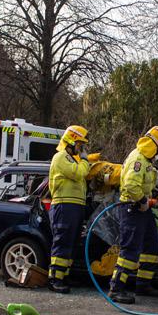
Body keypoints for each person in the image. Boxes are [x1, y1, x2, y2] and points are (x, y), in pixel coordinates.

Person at [107, 126, 158, 304]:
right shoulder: (139, 159)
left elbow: (144, 185)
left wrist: (154, 197)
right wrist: (143, 201)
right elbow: (131, 185)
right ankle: (116, 289)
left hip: (142, 210)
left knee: (151, 248)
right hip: (132, 209)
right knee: (130, 249)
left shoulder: (147, 160)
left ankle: (143, 285)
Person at [47, 125, 95, 294]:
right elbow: (78, 173)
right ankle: (55, 279)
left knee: (71, 243)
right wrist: (85, 160)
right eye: (79, 145)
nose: (80, 149)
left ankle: (64, 276)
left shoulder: (71, 159)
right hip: (64, 205)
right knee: (62, 242)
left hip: (74, 207)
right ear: (71, 141)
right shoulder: (61, 157)